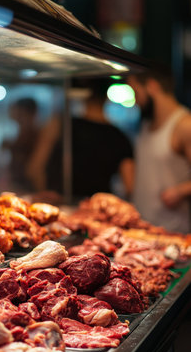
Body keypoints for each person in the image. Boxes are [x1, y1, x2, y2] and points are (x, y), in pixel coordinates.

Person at [127, 66, 191, 233]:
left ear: (152, 86)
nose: (135, 100)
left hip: (174, 233)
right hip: (143, 229)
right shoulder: (146, 125)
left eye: (136, 92)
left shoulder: (185, 125)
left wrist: (180, 191)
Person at [71, 90, 134, 200]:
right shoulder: (118, 135)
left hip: (66, 202)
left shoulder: (66, 126)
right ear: (106, 98)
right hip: (102, 204)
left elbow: (37, 165)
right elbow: (129, 185)